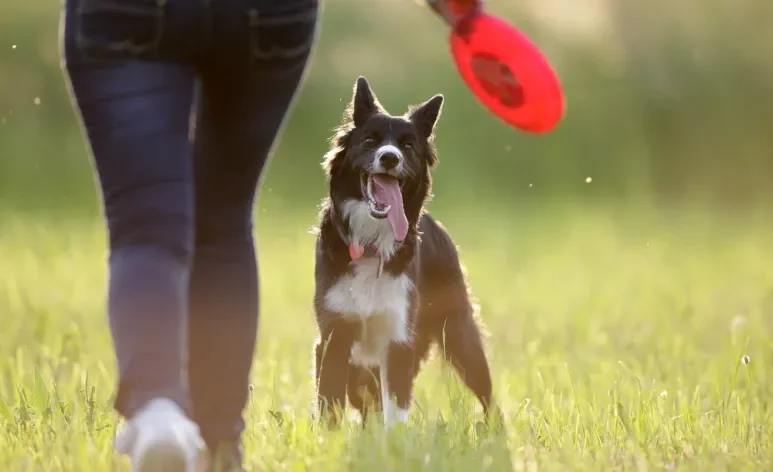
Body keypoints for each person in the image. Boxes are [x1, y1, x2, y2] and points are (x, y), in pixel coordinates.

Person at [61, 0, 319, 470]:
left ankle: (158, 410)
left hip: (127, 15)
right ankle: (218, 445)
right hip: (267, 17)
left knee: (146, 228)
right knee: (222, 223)